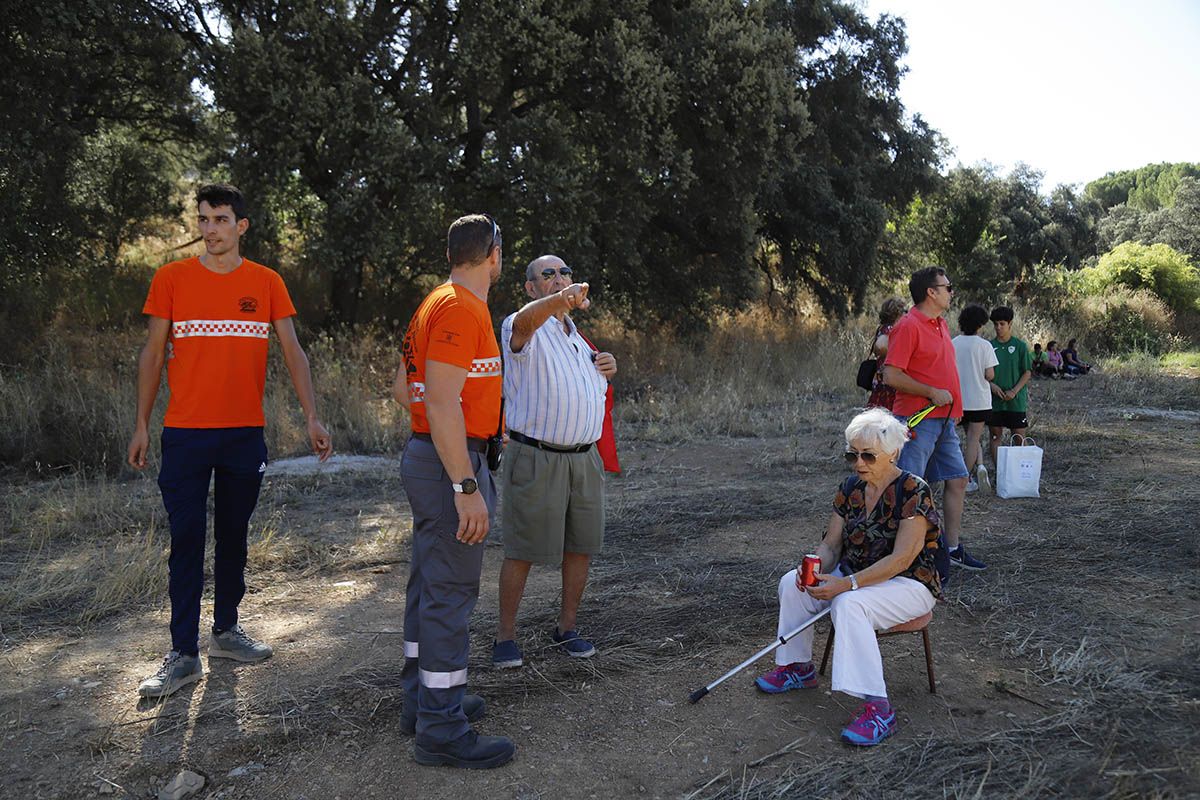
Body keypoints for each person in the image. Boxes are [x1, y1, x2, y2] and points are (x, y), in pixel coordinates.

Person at [128, 184, 333, 699]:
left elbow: (294, 351)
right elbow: (152, 356)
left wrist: (313, 417)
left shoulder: (265, 283)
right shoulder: (171, 279)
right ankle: (182, 655)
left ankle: (225, 631)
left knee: (234, 537)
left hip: (244, 435)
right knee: (187, 540)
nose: (210, 229)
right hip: (185, 435)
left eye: (221, 219)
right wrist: (140, 424)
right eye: (203, 220)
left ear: (241, 226)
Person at [391, 214, 515, 769]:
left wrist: (454, 426)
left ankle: (422, 702)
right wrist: (465, 483)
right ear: (492, 253)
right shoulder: (461, 309)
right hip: (451, 467)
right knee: (449, 596)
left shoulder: (435, 302)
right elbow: (438, 401)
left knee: (430, 586)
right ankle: (441, 728)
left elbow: (405, 389)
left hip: (437, 456)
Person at [755, 408, 941, 747]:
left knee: (849, 604)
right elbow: (831, 543)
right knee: (792, 584)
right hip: (854, 572)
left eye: (868, 455)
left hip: (909, 582)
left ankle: (879, 708)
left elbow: (901, 560)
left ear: (893, 452)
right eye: (852, 454)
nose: (859, 462)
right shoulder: (850, 487)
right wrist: (813, 567)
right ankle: (798, 667)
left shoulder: (914, 490)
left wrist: (847, 584)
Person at [491, 255, 617, 669]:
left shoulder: (578, 337)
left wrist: (606, 367)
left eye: (565, 272)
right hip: (536, 457)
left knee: (580, 547)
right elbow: (527, 323)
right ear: (530, 288)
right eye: (548, 275)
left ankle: (567, 628)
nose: (560, 279)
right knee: (523, 550)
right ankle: (504, 637)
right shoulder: (520, 325)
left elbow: (586, 388)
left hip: (584, 459)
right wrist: (559, 300)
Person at [882, 266, 984, 572]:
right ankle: (904, 557)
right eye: (948, 287)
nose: (951, 292)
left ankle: (951, 548)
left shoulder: (940, 324)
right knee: (911, 488)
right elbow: (891, 375)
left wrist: (952, 410)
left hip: (944, 421)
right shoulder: (908, 326)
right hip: (917, 421)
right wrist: (930, 391)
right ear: (932, 292)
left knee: (958, 480)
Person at [952, 304, 998, 493]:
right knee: (974, 439)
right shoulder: (985, 345)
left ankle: (969, 473)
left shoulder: (953, 343)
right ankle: (965, 478)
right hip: (979, 400)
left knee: (964, 438)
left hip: (959, 401)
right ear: (980, 325)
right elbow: (990, 375)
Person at [987, 307, 1034, 463]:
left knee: (1019, 437)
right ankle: (1000, 474)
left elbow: (1027, 372)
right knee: (995, 436)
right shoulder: (988, 346)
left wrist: (1014, 391)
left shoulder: (1020, 346)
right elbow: (983, 373)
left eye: (1002, 324)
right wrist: (992, 386)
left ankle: (1023, 473)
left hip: (1015, 400)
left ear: (1010, 324)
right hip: (995, 401)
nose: (999, 328)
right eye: (996, 324)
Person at [867, 297, 908, 410]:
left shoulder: (885, 328)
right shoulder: (890, 329)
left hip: (885, 382)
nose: (907, 314)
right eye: (905, 311)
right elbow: (880, 346)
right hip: (887, 384)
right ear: (897, 312)